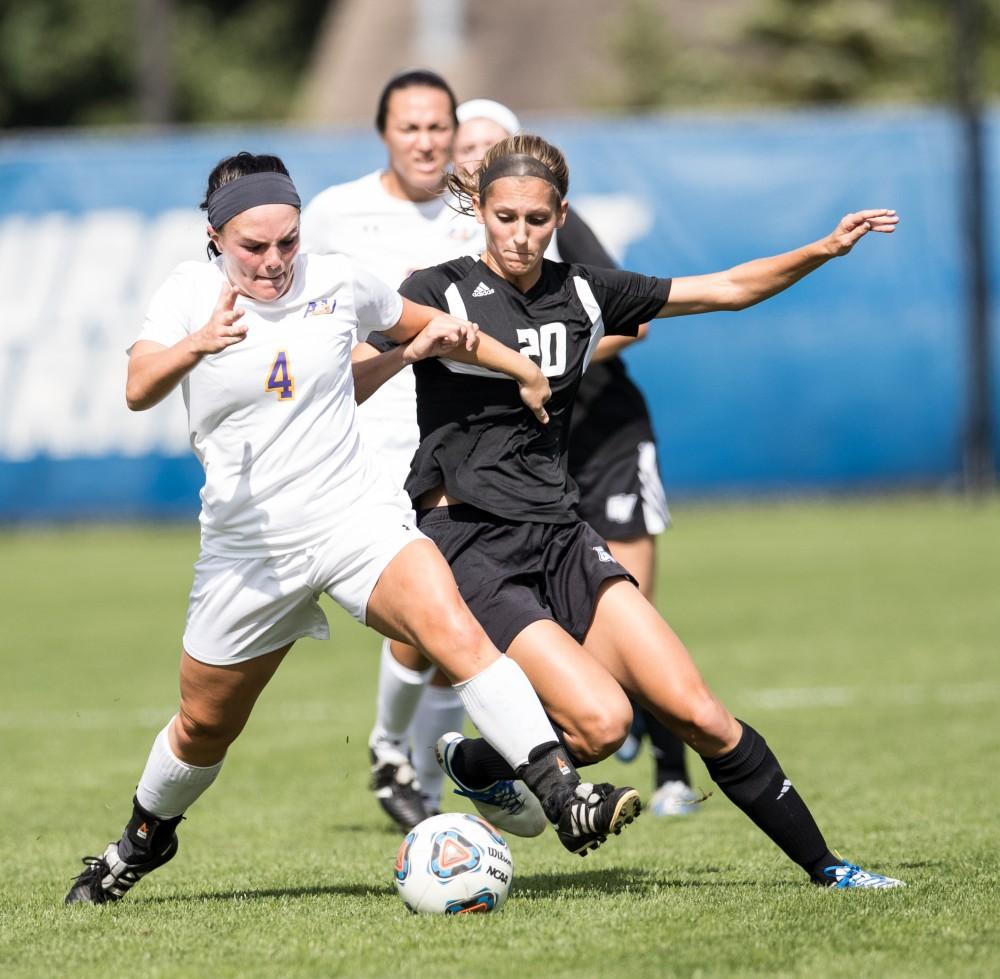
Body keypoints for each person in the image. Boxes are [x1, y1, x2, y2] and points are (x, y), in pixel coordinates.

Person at [64, 151, 641, 905]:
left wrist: (516, 369)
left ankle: (563, 796)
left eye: (287, 242)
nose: (274, 261)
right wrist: (195, 345)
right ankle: (141, 839)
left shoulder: (338, 280)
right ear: (215, 237)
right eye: (253, 246)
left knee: (453, 628)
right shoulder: (186, 295)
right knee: (204, 726)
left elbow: (435, 326)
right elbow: (140, 386)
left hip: (352, 517)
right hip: (249, 553)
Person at [372, 131, 904, 888]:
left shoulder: (585, 291)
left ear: (560, 214)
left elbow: (725, 287)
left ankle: (830, 869)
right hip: (471, 543)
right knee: (604, 723)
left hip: (562, 534)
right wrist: (411, 347)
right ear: (480, 211)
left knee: (701, 713)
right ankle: (490, 759)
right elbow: (353, 364)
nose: (519, 235)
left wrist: (821, 248)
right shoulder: (437, 289)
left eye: (536, 218)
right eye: (504, 216)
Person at [454, 98, 700, 818]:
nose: (476, 152)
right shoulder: (449, 252)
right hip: (525, 466)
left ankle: (672, 770)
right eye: (464, 143)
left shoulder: (552, 224)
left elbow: (636, 320)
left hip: (604, 438)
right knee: (547, 629)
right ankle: (529, 752)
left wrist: (556, 361)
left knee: (630, 613)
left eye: (490, 141)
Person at [300, 70, 481, 831]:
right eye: (411, 127)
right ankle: (390, 748)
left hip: (455, 442)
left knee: (452, 618)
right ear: (385, 132)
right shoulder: (339, 212)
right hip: (368, 447)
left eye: (439, 126)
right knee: (426, 614)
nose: (426, 141)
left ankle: (417, 783)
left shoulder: (476, 213)